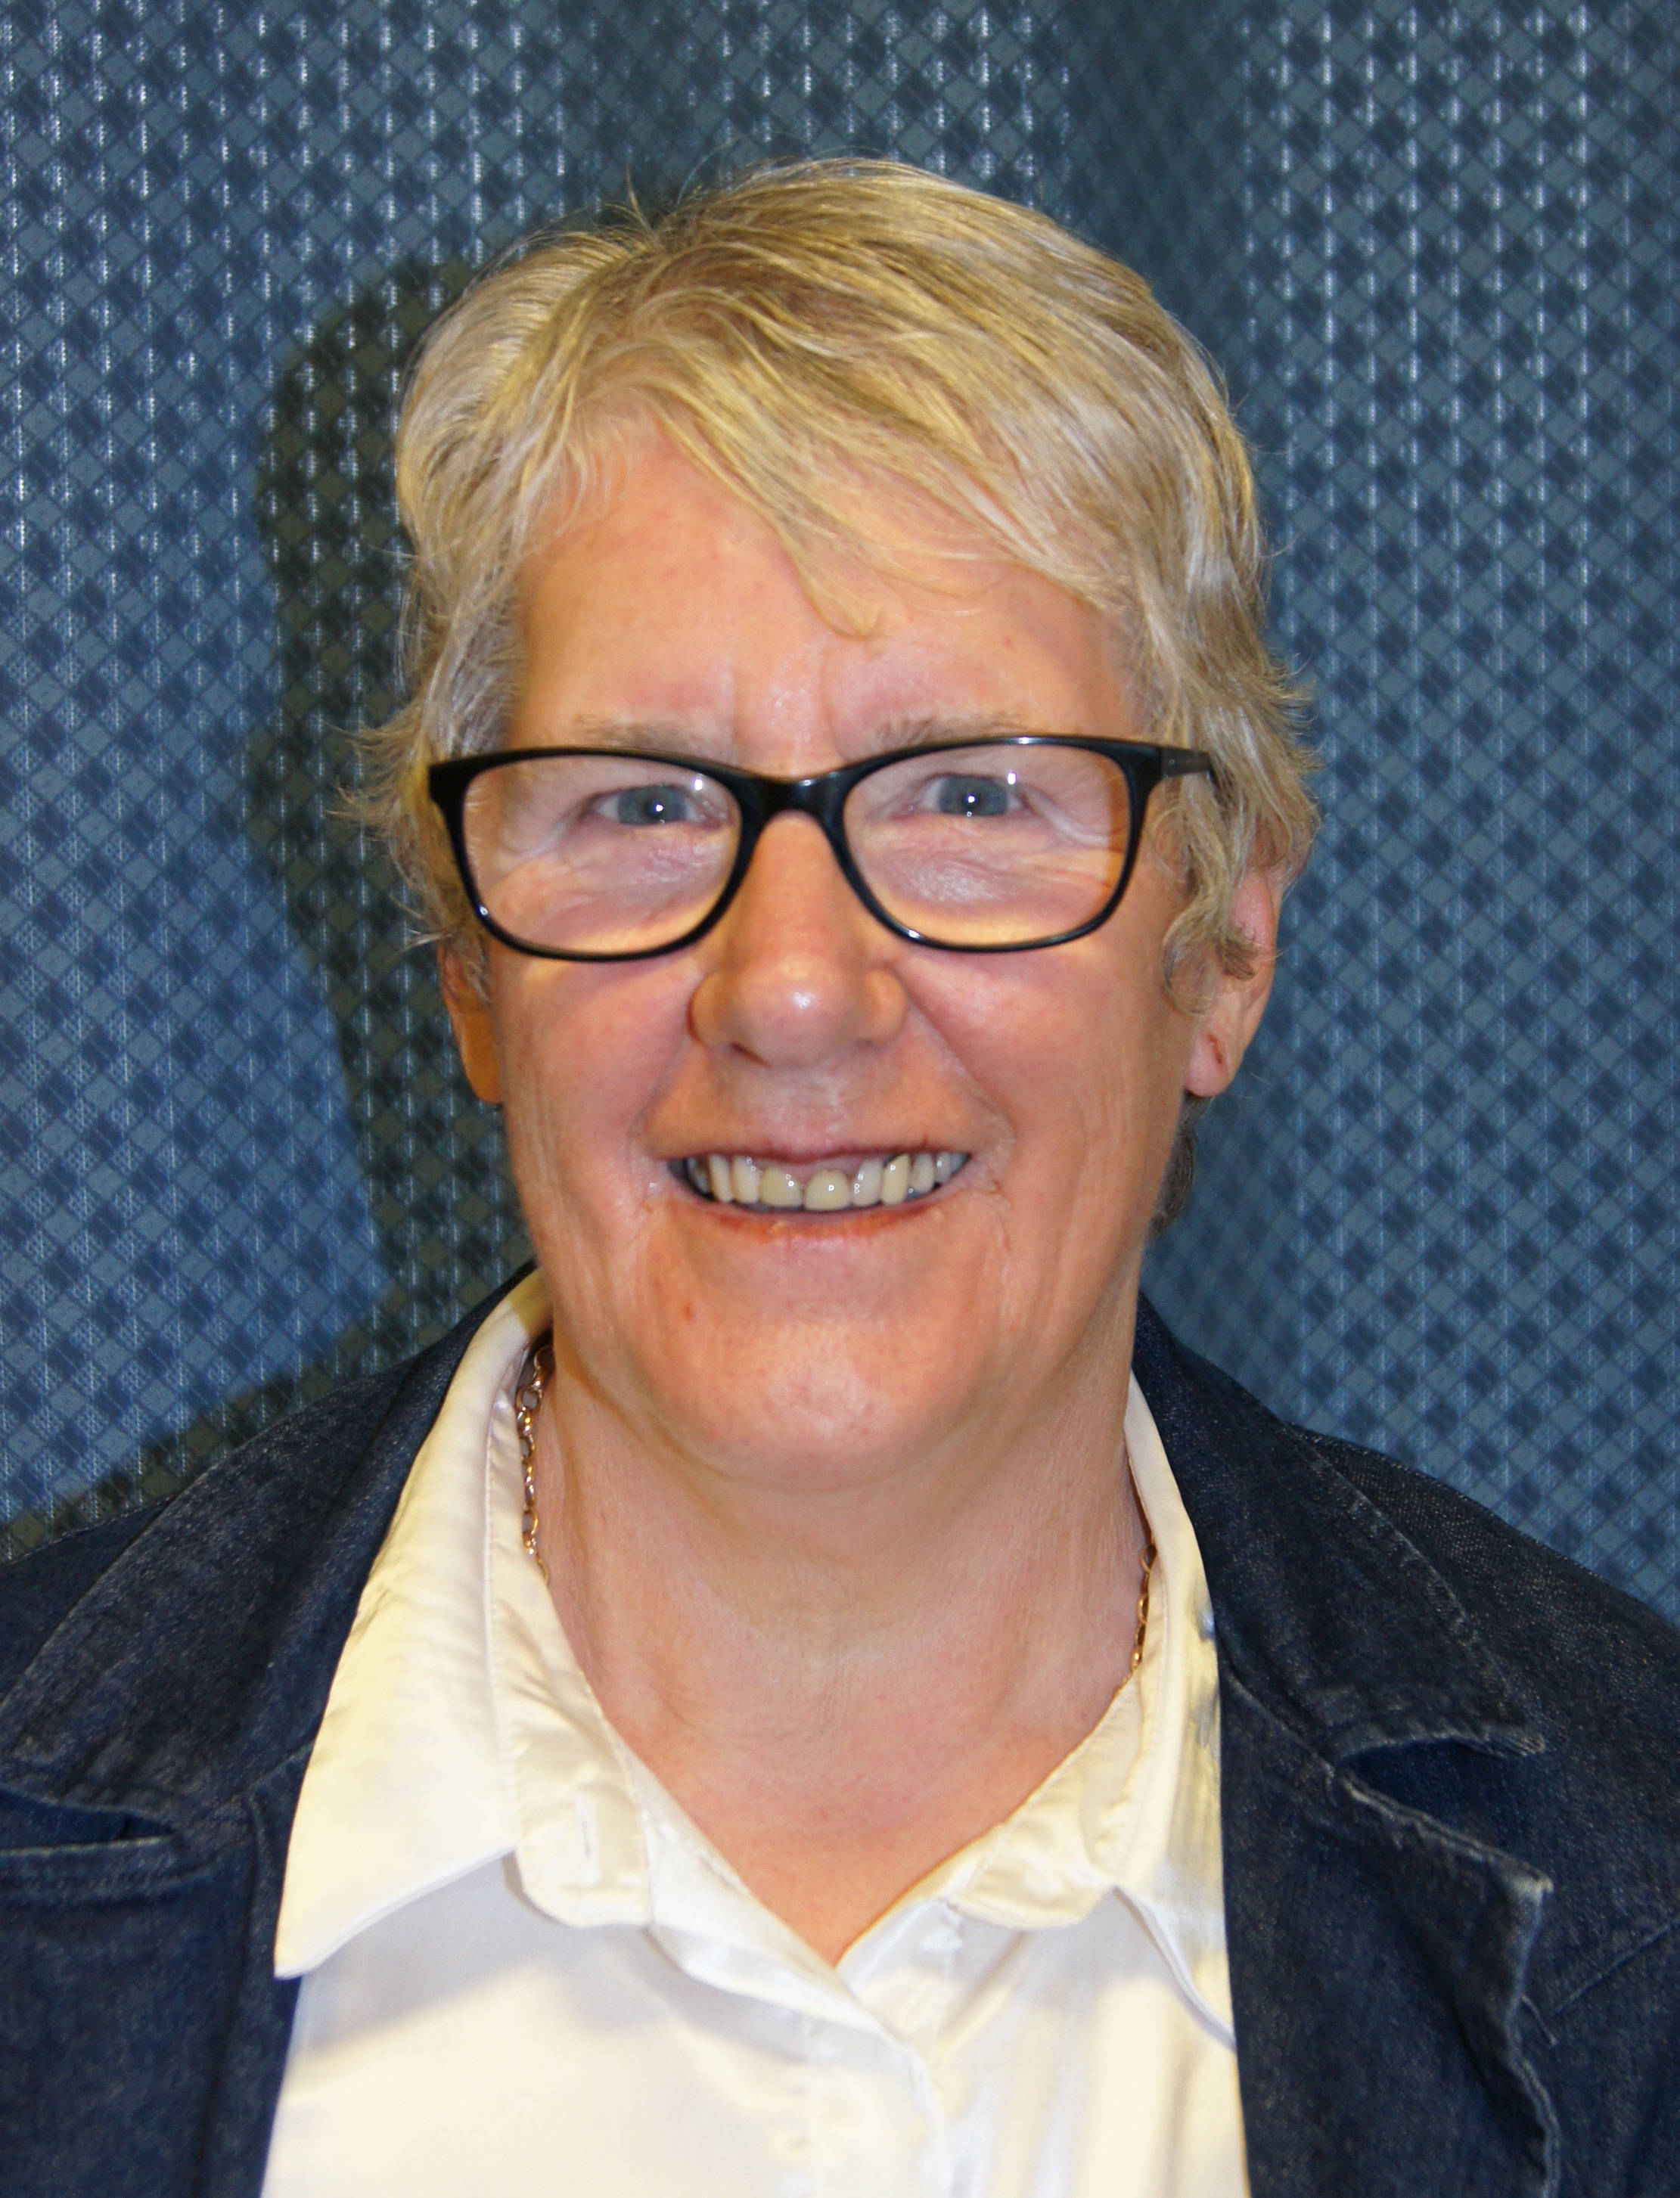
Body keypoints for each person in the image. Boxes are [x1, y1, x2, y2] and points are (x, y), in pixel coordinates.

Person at [1, 158, 1675, 2198]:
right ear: (465, 962)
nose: (792, 989)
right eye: (638, 805)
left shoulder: (1640, 1903)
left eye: (970, 792)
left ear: (1226, 943)